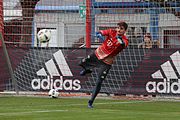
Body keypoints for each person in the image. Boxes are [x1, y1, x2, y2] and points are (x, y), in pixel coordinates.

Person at [79, 21, 129, 108]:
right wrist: (99, 35)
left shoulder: (125, 40)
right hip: (97, 54)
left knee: (99, 82)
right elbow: (100, 32)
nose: (119, 30)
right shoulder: (111, 32)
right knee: (81, 63)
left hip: (106, 62)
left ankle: (91, 102)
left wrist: (119, 40)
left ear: (125, 31)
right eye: (118, 28)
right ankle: (88, 69)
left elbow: (123, 44)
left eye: (121, 29)